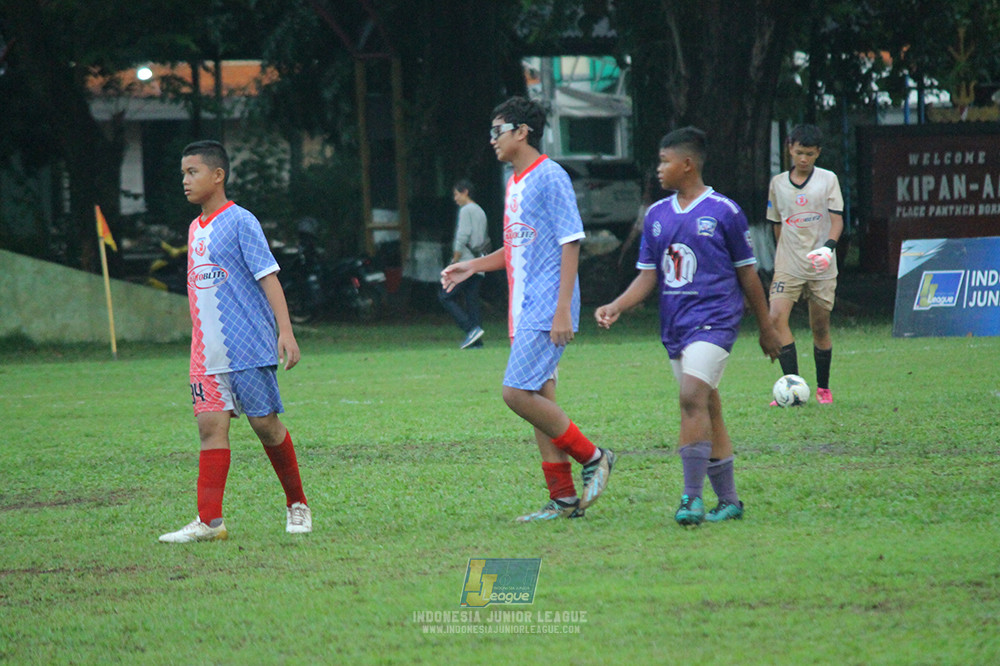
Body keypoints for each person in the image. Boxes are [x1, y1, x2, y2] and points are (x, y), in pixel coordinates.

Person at [441, 96, 615, 522]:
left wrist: (561, 310)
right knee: (540, 399)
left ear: (522, 132)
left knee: (515, 393)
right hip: (523, 308)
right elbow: (516, 246)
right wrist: (472, 266)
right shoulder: (513, 182)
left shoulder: (549, 175)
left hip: (546, 304)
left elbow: (570, 241)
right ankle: (563, 499)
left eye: (497, 131)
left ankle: (594, 455)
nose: (492, 140)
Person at [595, 127, 781, 527]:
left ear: (687, 164)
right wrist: (617, 306)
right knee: (707, 405)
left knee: (691, 397)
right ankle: (729, 500)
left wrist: (766, 328)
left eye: (664, 161)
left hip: (716, 320)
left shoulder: (724, 212)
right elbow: (648, 277)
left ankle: (690, 499)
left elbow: (748, 276)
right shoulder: (657, 216)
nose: (658, 169)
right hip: (676, 324)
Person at [159, 140, 311, 543]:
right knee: (210, 429)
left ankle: (297, 502)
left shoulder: (242, 220)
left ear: (218, 175)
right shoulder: (193, 229)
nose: (185, 181)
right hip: (205, 352)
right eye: (183, 174)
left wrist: (286, 331)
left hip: (247, 344)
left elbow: (268, 276)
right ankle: (209, 522)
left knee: (265, 425)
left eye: (193, 172)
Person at [766, 124, 845, 405]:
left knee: (820, 328)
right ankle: (793, 387)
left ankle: (823, 387)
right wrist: (783, 257)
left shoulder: (828, 180)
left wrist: (828, 248)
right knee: (776, 318)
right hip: (789, 264)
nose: (803, 159)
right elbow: (776, 225)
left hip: (822, 264)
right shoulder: (777, 184)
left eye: (809, 154)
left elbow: (837, 220)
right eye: (799, 153)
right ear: (790, 148)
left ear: (818, 153)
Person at [438, 179, 489, 349]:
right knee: (471, 301)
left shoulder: (466, 210)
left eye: (456, 194)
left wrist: (454, 260)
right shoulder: (481, 211)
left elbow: (462, 236)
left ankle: (470, 329)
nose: (455, 198)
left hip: (466, 263)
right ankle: (477, 341)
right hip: (479, 263)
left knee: (445, 296)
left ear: (465, 192)